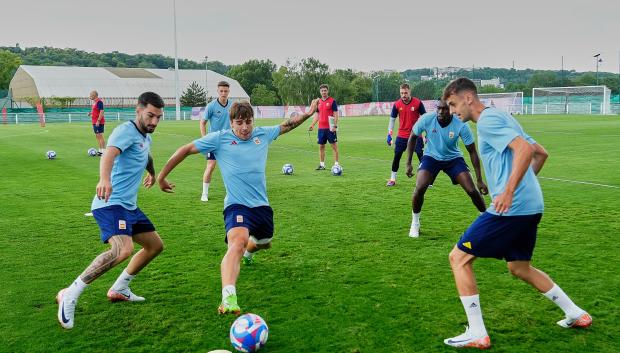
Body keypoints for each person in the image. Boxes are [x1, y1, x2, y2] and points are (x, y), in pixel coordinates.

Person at [442, 78, 591, 349]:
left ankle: (477, 332)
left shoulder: (487, 121)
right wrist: (521, 187)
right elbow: (540, 153)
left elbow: (524, 150)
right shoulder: (504, 117)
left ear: (468, 98)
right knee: (519, 267)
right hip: (532, 206)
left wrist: (509, 191)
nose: (452, 111)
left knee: (458, 258)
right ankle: (575, 313)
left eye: (453, 104)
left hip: (511, 209)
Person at [157, 99, 320, 315]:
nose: (245, 128)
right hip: (236, 205)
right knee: (237, 243)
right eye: (240, 123)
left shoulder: (263, 134)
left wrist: (308, 113)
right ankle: (228, 297)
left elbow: (288, 124)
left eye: (248, 122)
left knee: (263, 244)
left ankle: (249, 254)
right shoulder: (219, 139)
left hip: (262, 207)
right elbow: (185, 149)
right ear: (232, 123)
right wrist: (162, 177)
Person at [56, 92, 166, 330]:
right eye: (150, 115)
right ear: (138, 111)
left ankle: (120, 288)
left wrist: (152, 173)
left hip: (129, 206)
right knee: (122, 249)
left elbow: (145, 154)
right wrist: (104, 179)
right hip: (110, 203)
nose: (154, 121)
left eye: (158, 117)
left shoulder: (145, 136)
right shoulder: (124, 131)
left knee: (155, 246)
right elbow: (109, 153)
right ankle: (70, 294)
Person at [405, 98, 488, 238]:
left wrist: (479, 179)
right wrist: (408, 163)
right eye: (439, 108)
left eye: (445, 109)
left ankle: (487, 221)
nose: (441, 111)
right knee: (420, 187)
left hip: (453, 159)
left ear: (451, 110)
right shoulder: (426, 119)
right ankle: (415, 224)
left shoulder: (461, 125)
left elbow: (473, 152)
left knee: (472, 189)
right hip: (431, 157)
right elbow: (413, 137)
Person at [386, 83, 426, 186]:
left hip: (416, 135)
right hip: (402, 135)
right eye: (402, 93)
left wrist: (427, 134)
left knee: (421, 156)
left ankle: (426, 180)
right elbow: (392, 120)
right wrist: (389, 134)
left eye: (405, 93)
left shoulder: (418, 103)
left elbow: (426, 118)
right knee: (397, 157)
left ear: (409, 92)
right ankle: (392, 179)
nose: (403, 95)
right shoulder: (397, 104)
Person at [200, 81, 232, 202]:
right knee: (211, 166)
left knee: (230, 167)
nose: (223, 93)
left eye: (226, 91)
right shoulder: (211, 106)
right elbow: (202, 123)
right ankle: (204, 193)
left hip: (228, 141)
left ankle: (231, 193)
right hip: (213, 142)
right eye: (221, 91)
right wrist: (205, 139)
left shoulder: (233, 106)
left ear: (229, 91)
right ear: (218, 91)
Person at [308, 84, 340, 170]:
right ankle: (322, 165)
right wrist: (312, 124)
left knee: (334, 146)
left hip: (330, 128)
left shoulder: (332, 101)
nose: (323, 92)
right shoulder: (318, 102)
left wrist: (335, 125)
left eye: (325, 90)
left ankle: (336, 164)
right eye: (322, 91)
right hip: (321, 128)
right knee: (321, 146)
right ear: (320, 92)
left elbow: (336, 114)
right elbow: (317, 114)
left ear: (327, 91)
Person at [88, 90, 106, 155]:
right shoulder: (94, 102)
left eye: (90, 95)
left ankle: (103, 151)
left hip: (98, 122)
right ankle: (100, 150)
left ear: (94, 95)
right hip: (94, 121)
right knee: (97, 136)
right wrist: (90, 113)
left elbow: (101, 112)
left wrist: (98, 121)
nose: (89, 96)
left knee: (100, 135)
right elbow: (95, 111)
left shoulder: (99, 102)